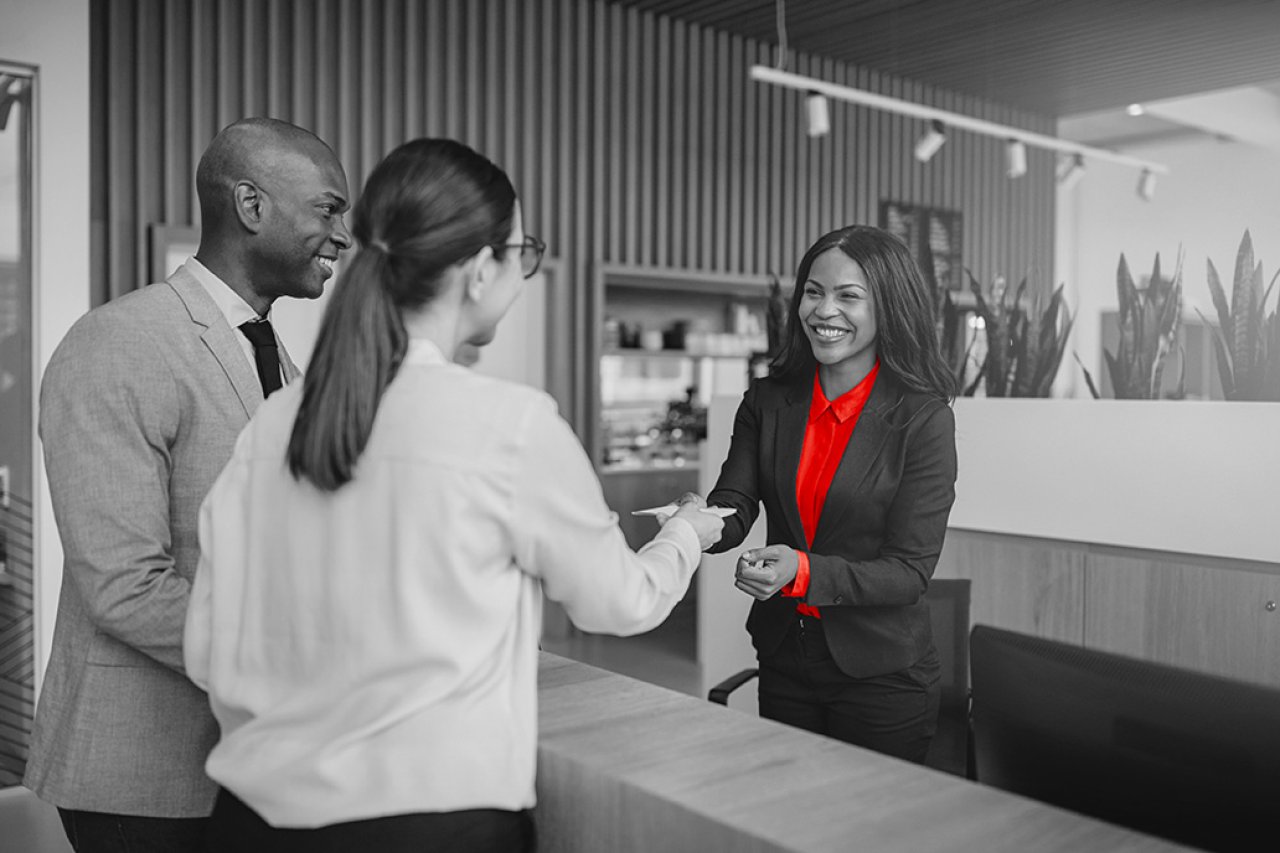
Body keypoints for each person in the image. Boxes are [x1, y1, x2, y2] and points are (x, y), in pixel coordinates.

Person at [183, 137, 724, 852]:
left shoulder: (276, 420)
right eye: (520, 251)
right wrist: (688, 531)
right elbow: (619, 600)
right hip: (429, 825)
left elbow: (205, 646)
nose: (523, 273)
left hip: (252, 820)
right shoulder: (510, 424)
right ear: (477, 271)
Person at [26, 117, 352, 852]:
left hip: (244, 763)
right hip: (139, 771)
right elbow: (124, 584)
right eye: (329, 209)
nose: (343, 236)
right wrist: (299, 659)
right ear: (251, 205)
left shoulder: (278, 361)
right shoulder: (118, 342)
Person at [701, 224, 957, 763]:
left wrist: (801, 570)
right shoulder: (768, 401)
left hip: (882, 675)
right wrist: (693, 523)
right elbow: (735, 503)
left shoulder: (922, 419)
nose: (824, 310)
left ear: (888, 305)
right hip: (785, 658)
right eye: (813, 292)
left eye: (848, 296)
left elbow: (909, 571)